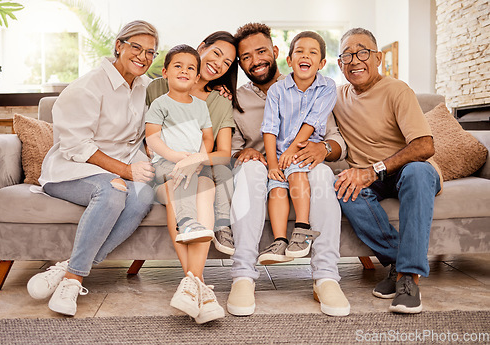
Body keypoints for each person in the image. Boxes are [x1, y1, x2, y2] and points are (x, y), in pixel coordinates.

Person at [26, 20, 159, 316]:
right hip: (71, 169)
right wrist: (124, 172)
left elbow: (177, 96)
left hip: (121, 167)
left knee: (144, 198)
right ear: (118, 46)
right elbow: (77, 147)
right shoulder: (88, 86)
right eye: (135, 47)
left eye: (150, 52)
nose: (143, 56)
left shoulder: (146, 87)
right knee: (112, 192)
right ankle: (73, 281)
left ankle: (65, 267)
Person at [227, 23, 350, 317]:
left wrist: (324, 149)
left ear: (277, 53)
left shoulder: (315, 87)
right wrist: (243, 152)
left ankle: (326, 277)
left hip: (304, 162)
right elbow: (229, 148)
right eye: (246, 57)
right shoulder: (235, 98)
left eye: (261, 51)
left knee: (320, 173)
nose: (255, 60)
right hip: (263, 166)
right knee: (253, 170)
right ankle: (243, 275)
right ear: (240, 63)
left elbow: (336, 140)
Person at [333, 28, 442, 314]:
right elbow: (295, 93)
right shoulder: (335, 97)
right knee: (342, 187)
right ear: (339, 63)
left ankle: (408, 278)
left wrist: (375, 169)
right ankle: (400, 261)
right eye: (346, 54)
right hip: (371, 178)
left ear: (378, 57)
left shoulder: (397, 90)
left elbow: (424, 146)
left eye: (362, 52)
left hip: (409, 171)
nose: (354, 60)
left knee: (417, 173)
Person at [145, 31, 240, 323]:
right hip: (163, 172)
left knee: (205, 187)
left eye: (227, 62)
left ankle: (192, 285)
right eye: (215, 54)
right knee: (179, 190)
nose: (219, 64)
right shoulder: (158, 88)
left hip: (197, 172)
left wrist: (196, 158)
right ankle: (199, 285)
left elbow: (221, 151)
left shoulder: (217, 103)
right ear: (202, 49)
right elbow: (151, 137)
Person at [259, 31, 335, 265]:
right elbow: (269, 128)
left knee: (296, 171)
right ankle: (280, 240)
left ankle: (303, 229)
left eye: (313, 53)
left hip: (304, 150)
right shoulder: (277, 90)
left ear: (321, 63)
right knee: (276, 188)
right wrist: (272, 164)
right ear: (289, 59)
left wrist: (292, 151)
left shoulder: (327, 87)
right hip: (280, 152)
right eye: (299, 51)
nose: (305, 56)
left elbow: (312, 121)